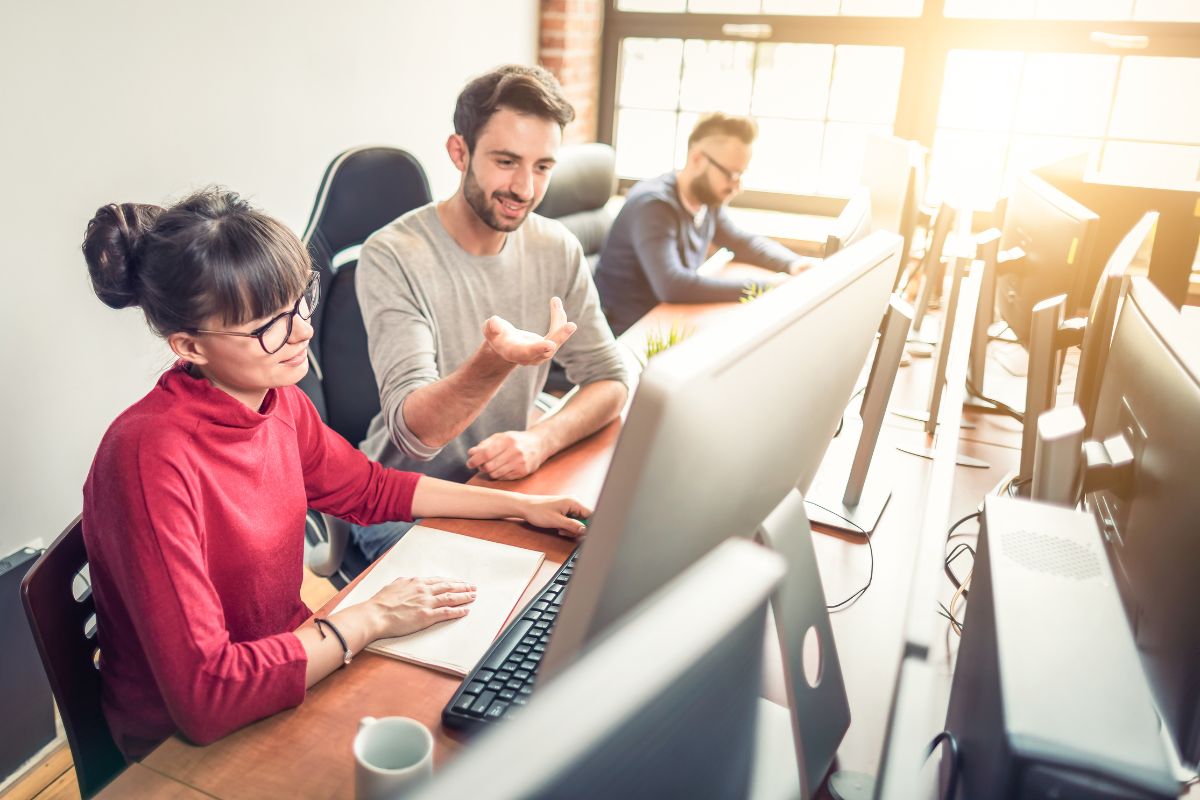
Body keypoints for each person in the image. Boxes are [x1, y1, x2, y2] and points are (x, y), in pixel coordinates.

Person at [80, 189, 591, 760]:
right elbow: (207, 696)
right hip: (183, 746)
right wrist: (371, 618)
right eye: (267, 326)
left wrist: (520, 507)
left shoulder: (276, 402)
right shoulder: (148, 458)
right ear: (188, 345)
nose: (301, 331)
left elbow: (370, 490)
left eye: (301, 302)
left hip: (292, 663)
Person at [353, 65, 629, 561]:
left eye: (543, 166)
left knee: (598, 578)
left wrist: (541, 440)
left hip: (506, 490)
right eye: (506, 161)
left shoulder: (555, 246)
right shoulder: (392, 254)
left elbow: (611, 379)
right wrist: (496, 361)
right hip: (405, 506)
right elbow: (417, 437)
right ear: (459, 153)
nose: (525, 188)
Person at [595, 112, 814, 336]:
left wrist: (793, 264)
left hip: (666, 321)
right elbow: (673, 286)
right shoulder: (654, 206)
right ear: (698, 159)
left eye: (741, 174)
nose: (737, 187)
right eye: (731, 174)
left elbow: (742, 242)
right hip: (628, 334)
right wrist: (764, 288)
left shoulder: (706, 200)